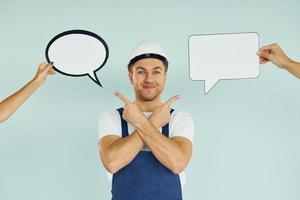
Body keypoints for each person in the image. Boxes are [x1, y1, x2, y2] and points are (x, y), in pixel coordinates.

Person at [98, 40, 194, 200]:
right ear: (131, 76)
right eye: (141, 72)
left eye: (156, 72)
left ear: (165, 76)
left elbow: (177, 163)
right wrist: (154, 123)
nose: (149, 78)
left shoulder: (179, 118)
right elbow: (112, 163)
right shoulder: (112, 117)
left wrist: (140, 122)